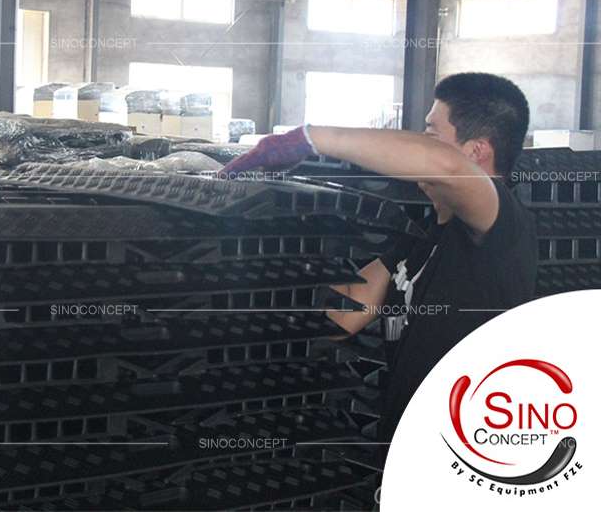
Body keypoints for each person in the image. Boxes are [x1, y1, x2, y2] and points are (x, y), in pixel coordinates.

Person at [220, 72, 537, 444]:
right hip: (408, 449)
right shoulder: (420, 243)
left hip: (465, 456)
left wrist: (310, 138)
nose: (420, 143)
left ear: (475, 152)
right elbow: (340, 316)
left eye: (431, 134)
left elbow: (447, 167)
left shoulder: (503, 227)